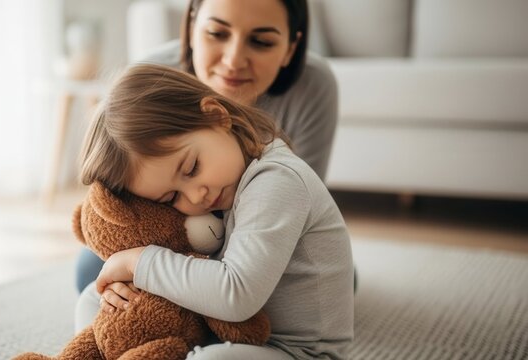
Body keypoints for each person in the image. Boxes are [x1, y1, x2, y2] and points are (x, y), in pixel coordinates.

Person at [75, 63, 353, 359]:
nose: (196, 197)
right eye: (171, 197)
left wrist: (139, 263)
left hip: (295, 352)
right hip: (222, 333)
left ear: (217, 116)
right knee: (93, 299)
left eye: (191, 168)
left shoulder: (277, 180)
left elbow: (237, 294)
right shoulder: (225, 179)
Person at [75, 0, 339, 293]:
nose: (233, 61)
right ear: (191, 25)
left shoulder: (314, 86)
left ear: (290, 47)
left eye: (261, 41)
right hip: (181, 231)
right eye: (217, 33)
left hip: (267, 231)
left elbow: (297, 209)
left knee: (321, 279)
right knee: (93, 271)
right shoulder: (151, 80)